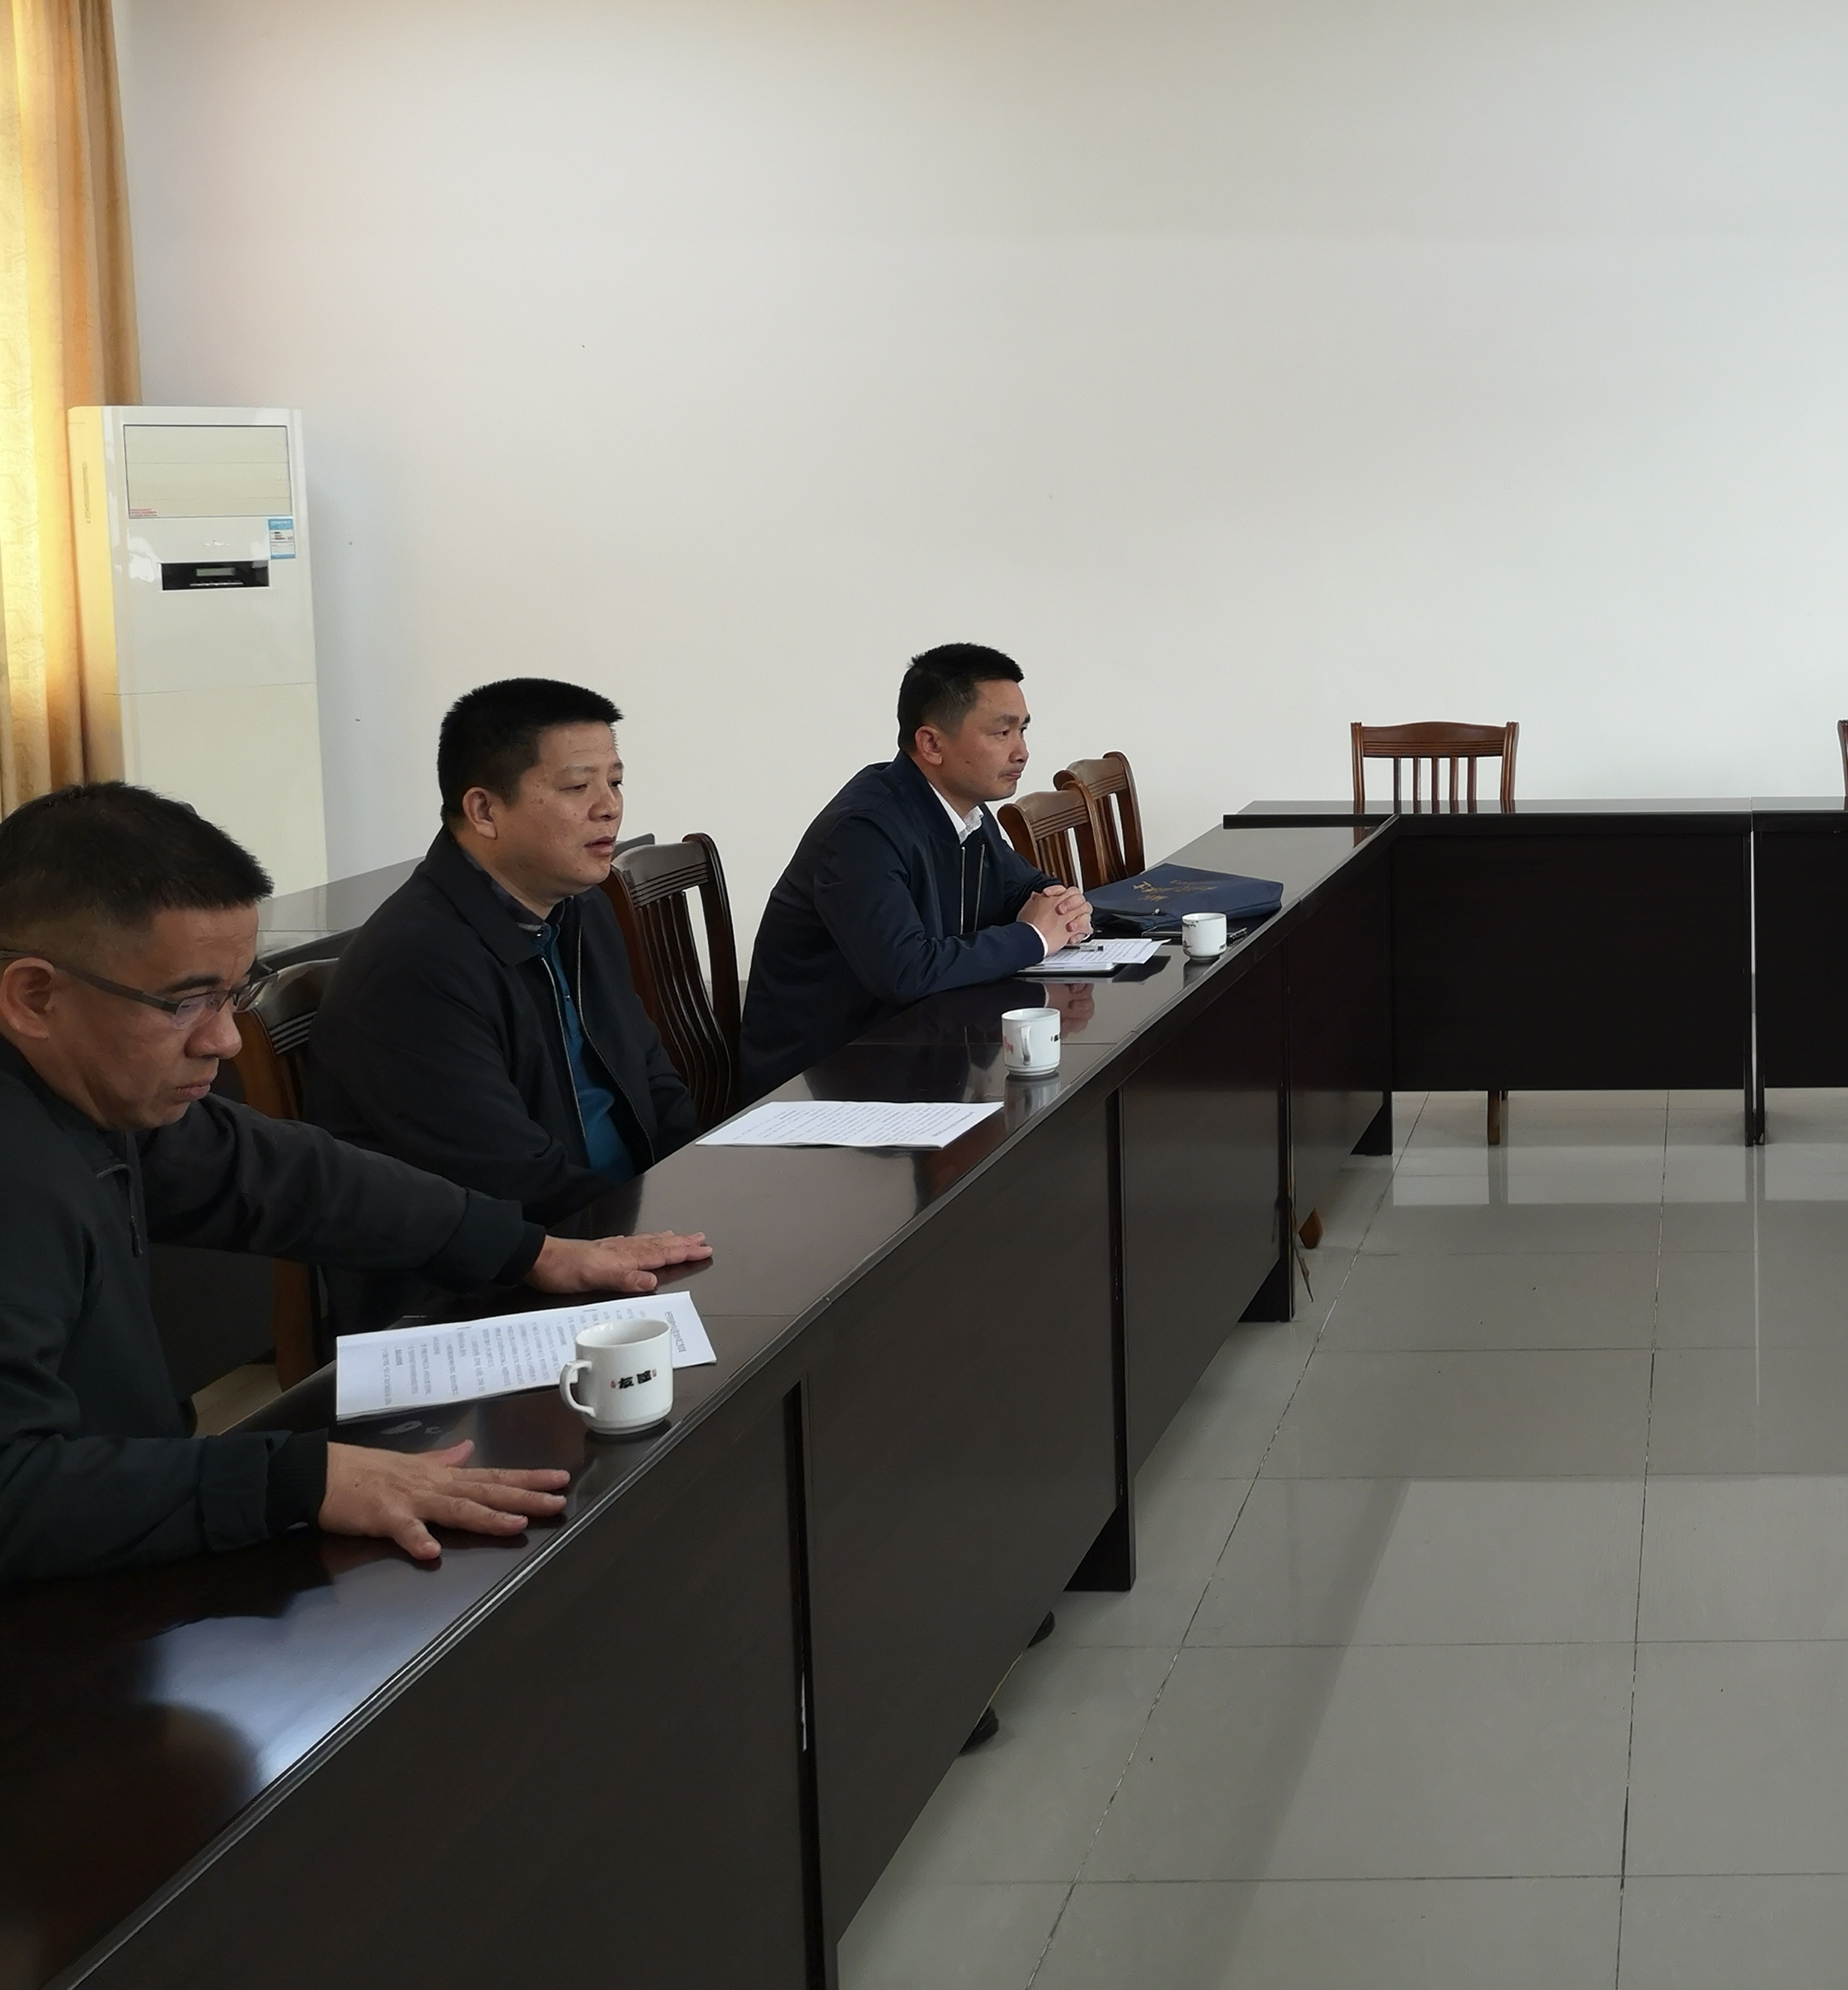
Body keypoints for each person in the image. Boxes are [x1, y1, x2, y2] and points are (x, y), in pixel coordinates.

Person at [0, 781, 707, 1583]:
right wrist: (301, 1478)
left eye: (232, 995)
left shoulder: (97, 1095)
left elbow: (286, 1176)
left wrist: (527, 1250)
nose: (224, 1040)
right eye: (186, 1003)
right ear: (35, 996)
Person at [306, 678, 698, 1233]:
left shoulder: (581, 908)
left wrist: (697, 1188)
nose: (609, 808)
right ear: (485, 810)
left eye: (614, 782)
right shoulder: (414, 967)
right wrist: (652, 1230)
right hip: (515, 1260)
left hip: (623, 1222)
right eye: (577, 787)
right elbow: (510, 1180)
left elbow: (652, 1077)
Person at [740, 643, 1094, 1096]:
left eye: (1023, 730)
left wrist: (1063, 907)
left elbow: (1022, 889)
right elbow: (906, 971)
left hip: (920, 1051)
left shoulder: (966, 811)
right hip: (825, 1080)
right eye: (1001, 733)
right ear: (931, 744)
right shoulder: (862, 831)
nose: (1022, 751)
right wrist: (1035, 937)